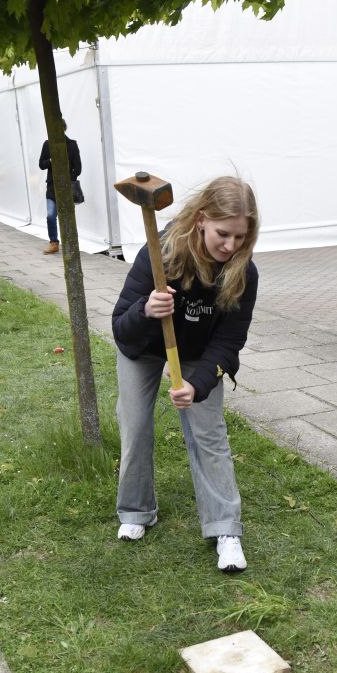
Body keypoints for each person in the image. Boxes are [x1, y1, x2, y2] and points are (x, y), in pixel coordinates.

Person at [112, 176, 259, 572]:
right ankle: (136, 511)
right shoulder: (161, 254)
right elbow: (120, 327)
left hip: (196, 353)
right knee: (136, 423)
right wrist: (146, 310)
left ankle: (226, 528)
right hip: (144, 344)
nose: (231, 246)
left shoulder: (243, 274)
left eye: (240, 237)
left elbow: (229, 343)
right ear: (201, 220)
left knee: (208, 433)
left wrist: (198, 384)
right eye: (222, 234)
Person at [38, 119, 81, 255]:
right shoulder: (47, 144)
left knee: (67, 216)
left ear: (63, 128)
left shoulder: (72, 145)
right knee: (51, 215)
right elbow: (41, 164)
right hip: (51, 187)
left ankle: (69, 243)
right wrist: (50, 161)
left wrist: (70, 180)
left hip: (67, 188)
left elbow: (78, 168)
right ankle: (54, 243)